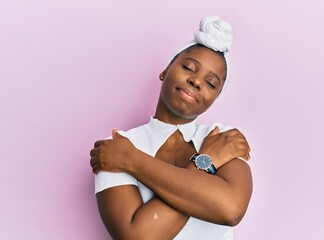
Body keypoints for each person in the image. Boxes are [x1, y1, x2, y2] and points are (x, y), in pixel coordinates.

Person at [90, 15, 253, 240]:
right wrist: (208, 161)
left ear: (215, 97)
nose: (196, 81)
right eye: (188, 67)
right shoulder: (115, 148)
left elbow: (231, 209)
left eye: (210, 83)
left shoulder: (223, 139)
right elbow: (137, 237)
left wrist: (131, 160)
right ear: (165, 71)